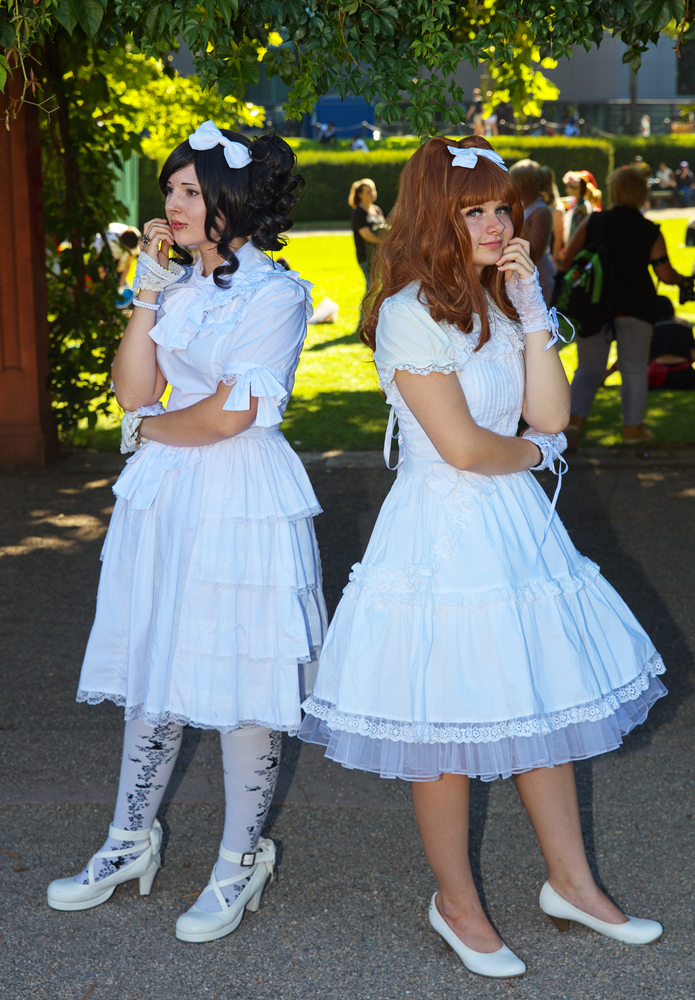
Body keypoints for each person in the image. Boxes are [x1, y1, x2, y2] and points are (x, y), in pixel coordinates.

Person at [299, 136, 665, 979]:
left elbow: (552, 413)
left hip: (513, 530)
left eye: (502, 207)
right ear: (436, 216)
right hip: (441, 533)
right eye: (476, 210)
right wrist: (535, 456)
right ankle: (455, 904)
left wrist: (532, 313)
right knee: (443, 727)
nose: (499, 223)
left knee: (536, 705)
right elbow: (465, 447)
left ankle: (572, 885)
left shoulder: (501, 302)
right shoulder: (407, 313)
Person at [46, 121, 327, 943]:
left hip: (239, 498)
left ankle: (241, 859)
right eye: (169, 188)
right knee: (155, 661)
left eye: (188, 190)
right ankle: (128, 839)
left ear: (231, 201)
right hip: (165, 497)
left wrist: (147, 431)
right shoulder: (176, 289)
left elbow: (230, 415)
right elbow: (134, 390)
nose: (170, 203)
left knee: (243, 678)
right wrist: (146, 293)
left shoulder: (277, 293)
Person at [562, 167, 691, 446]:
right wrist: (683, 280)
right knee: (634, 368)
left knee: (588, 368)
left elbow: (568, 258)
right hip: (636, 305)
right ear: (641, 193)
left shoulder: (595, 222)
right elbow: (664, 273)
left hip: (594, 304)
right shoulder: (648, 230)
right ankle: (633, 428)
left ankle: (573, 423)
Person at [509, 158, 556, 303]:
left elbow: (535, 252)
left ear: (524, 185)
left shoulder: (541, 211)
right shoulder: (527, 207)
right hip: (529, 277)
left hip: (539, 279)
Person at [349, 177, 386, 323]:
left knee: (378, 288)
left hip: (379, 257)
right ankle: (363, 321)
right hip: (366, 257)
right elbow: (367, 235)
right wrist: (385, 242)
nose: (372, 194)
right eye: (368, 191)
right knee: (372, 288)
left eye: (373, 190)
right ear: (360, 195)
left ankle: (375, 320)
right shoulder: (358, 212)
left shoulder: (376, 210)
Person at [648, 295, 695, 390]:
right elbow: (693, 354)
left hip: (656, 374)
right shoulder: (685, 325)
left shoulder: (650, 327)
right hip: (685, 374)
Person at [539, 164, 565, 265]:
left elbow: (558, 239)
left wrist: (553, 261)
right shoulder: (538, 204)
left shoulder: (555, 210)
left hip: (547, 262)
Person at [562, 171, 592, 240]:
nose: (567, 190)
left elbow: (575, 233)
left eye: (569, 187)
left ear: (578, 188)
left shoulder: (581, 207)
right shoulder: (581, 203)